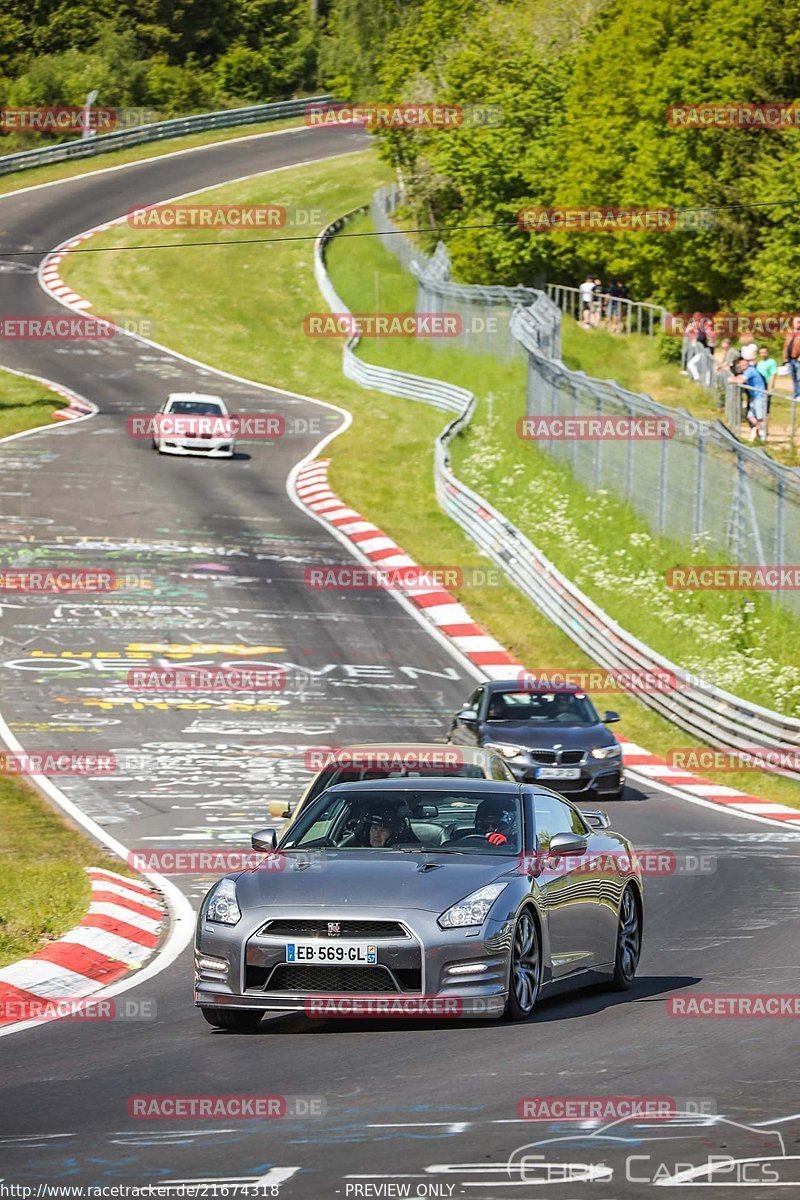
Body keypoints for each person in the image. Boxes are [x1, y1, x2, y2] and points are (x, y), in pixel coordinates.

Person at [734, 351, 768, 442]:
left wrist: (732, 380)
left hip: (760, 396)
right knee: (750, 416)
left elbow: (741, 380)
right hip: (754, 397)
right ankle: (758, 430)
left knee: (760, 417)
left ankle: (762, 435)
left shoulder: (750, 370)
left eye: (743, 364)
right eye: (740, 365)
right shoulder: (746, 372)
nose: (741, 366)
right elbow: (740, 378)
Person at [756, 345, 778, 415]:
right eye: (761, 353)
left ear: (767, 353)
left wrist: (770, 387)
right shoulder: (759, 363)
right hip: (759, 386)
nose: (763, 354)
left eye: (764, 352)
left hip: (767, 384)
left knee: (766, 409)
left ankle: (765, 424)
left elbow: (773, 375)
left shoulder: (771, 362)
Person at [782, 316, 800, 401]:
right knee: (794, 378)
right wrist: (785, 358)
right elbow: (786, 346)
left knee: (799, 377)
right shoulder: (790, 333)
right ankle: (795, 394)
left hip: (798, 359)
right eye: (797, 322)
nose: (798, 324)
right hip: (790, 359)